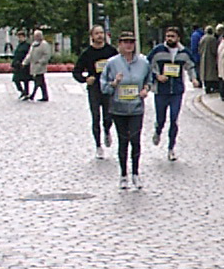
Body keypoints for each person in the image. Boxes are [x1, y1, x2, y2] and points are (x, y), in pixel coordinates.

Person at [101, 32, 154, 190]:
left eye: (131, 42)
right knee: (123, 140)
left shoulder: (143, 63)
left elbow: (149, 80)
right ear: (120, 44)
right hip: (119, 108)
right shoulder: (112, 63)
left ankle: (136, 173)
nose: (128, 45)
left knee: (136, 140)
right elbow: (103, 86)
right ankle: (123, 174)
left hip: (136, 107)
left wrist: (146, 89)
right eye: (125, 42)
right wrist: (114, 83)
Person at [148, 26, 196, 159]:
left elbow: (190, 66)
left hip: (177, 91)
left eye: (172, 36)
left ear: (178, 38)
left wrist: (194, 78)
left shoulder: (184, 52)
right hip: (161, 91)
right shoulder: (158, 51)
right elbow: (149, 66)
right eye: (167, 36)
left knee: (174, 119)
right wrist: (157, 76)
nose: (169, 39)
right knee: (161, 119)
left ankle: (171, 148)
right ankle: (158, 130)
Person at [72, 25, 118, 157]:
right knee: (95, 117)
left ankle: (107, 130)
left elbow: (119, 66)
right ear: (92, 36)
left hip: (108, 88)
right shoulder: (87, 54)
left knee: (109, 116)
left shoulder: (111, 51)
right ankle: (98, 145)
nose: (99, 36)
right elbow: (76, 71)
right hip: (94, 89)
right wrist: (85, 79)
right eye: (96, 33)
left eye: (101, 33)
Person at [26, 29, 55, 102]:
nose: (36, 37)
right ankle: (45, 96)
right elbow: (30, 54)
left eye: (38, 36)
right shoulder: (34, 44)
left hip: (40, 66)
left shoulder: (44, 44)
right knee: (41, 82)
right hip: (34, 65)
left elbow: (47, 55)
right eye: (35, 36)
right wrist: (25, 62)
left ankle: (33, 94)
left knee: (38, 81)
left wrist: (41, 61)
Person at [200, 25, 222, 101]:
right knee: (211, 73)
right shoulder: (212, 39)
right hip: (211, 59)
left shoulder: (202, 38)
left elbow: (199, 48)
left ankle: (207, 86)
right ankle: (212, 86)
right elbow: (214, 49)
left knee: (205, 72)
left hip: (203, 58)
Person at [9, 30, 31, 99]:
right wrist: (13, 63)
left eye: (21, 37)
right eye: (19, 37)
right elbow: (16, 55)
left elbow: (29, 55)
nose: (20, 38)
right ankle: (22, 91)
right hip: (18, 65)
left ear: (24, 37)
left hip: (24, 65)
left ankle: (26, 93)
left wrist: (25, 62)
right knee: (16, 79)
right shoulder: (19, 45)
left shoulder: (27, 45)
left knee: (25, 80)